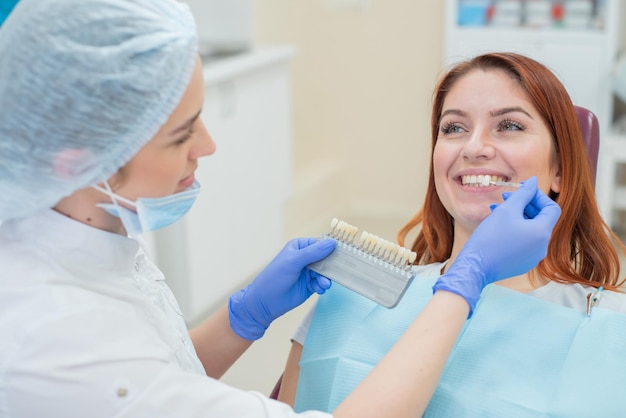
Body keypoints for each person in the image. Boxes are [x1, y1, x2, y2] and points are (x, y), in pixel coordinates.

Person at [0, 2, 561, 417]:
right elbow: (124, 386)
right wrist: (465, 282)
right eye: (181, 135)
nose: (209, 146)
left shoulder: (92, 227)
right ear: (82, 160)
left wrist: (242, 316)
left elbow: (152, 372)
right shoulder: (53, 334)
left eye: (509, 125)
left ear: (563, 169)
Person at [281, 52, 626, 417]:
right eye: (453, 128)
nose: (474, 147)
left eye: (509, 126)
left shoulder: (610, 326)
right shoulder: (351, 294)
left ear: (561, 170)